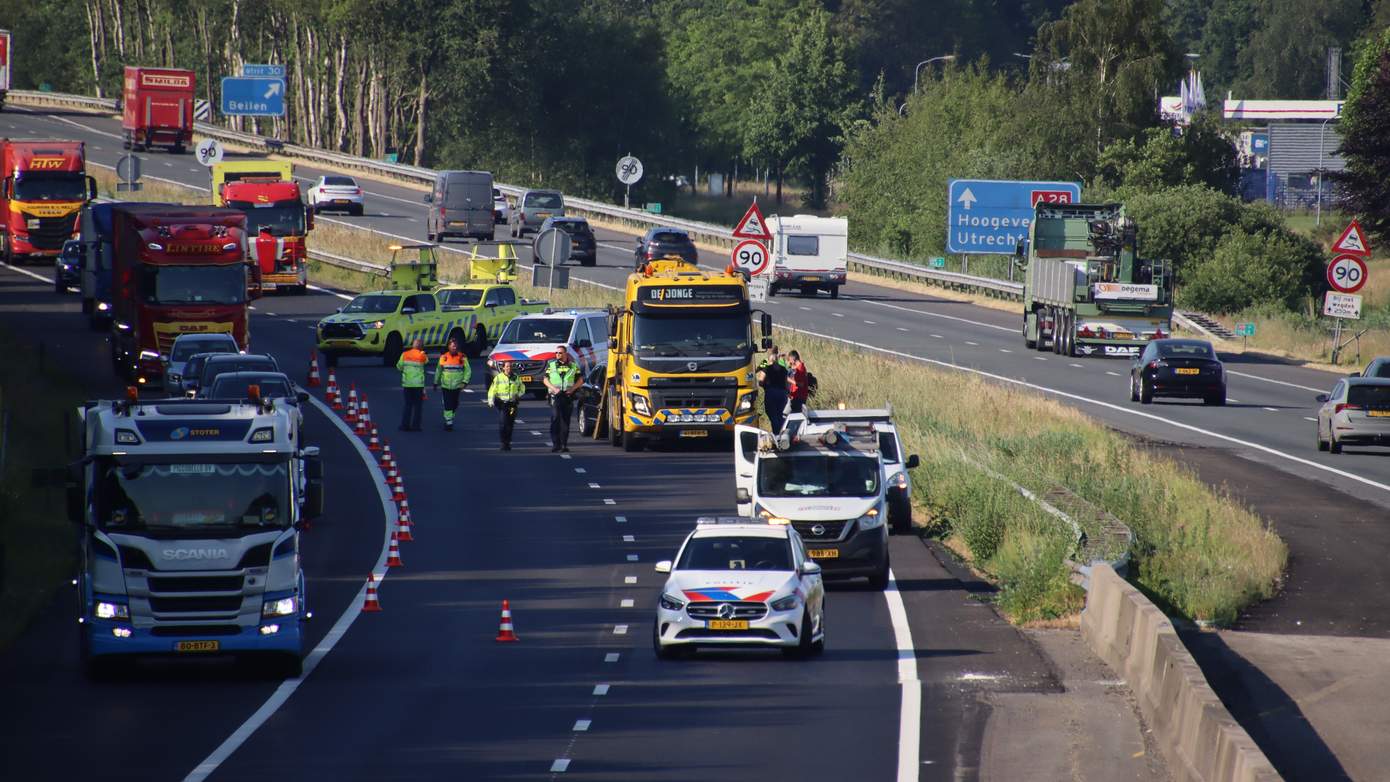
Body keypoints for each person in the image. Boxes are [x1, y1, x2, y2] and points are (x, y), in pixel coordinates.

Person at [543, 344, 582, 452]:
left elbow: (580, 380)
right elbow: (545, 380)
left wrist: (573, 389)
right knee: (555, 419)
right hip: (555, 396)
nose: (557, 354)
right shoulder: (551, 365)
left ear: (565, 354)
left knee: (565, 421)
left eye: (560, 353)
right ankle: (556, 444)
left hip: (567, 396)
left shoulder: (573, 366)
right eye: (556, 353)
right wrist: (553, 389)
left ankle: (564, 445)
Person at [487, 360, 526, 450]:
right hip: (502, 404)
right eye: (507, 366)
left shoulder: (516, 377)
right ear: (503, 368)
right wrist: (491, 401)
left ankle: (508, 442)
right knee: (503, 423)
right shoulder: (498, 378)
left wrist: (518, 394)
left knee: (510, 424)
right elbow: (492, 390)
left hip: (512, 404)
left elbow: (522, 387)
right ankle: (503, 442)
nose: (509, 368)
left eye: (510, 366)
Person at [434, 338, 472, 430]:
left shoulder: (462, 357)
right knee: (448, 404)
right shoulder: (443, 357)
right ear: (449, 347)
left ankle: (450, 417)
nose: (454, 347)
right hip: (445, 386)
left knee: (454, 404)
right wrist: (435, 382)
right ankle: (449, 422)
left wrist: (465, 382)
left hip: (457, 386)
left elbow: (468, 370)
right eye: (452, 346)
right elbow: (438, 370)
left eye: (455, 346)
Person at [397, 338, 428, 431]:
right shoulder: (422, 355)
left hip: (407, 383)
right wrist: (422, 353)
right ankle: (416, 426)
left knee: (408, 405)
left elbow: (399, 366)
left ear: (412, 345)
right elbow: (426, 362)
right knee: (418, 406)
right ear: (421, 347)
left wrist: (405, 371)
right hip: (418, 384)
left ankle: (405, 425)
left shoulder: (405, 354)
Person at [757, 344, 789, 433]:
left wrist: (764, 386)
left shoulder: (765, 362)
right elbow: (786, 379)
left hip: (771, 392)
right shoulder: (781, 362)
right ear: (777, 351)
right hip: (782, 393)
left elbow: (758, 373)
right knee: (780, 414)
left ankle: (777, 433)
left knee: (772, 414)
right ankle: (782, 432)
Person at [787, 350, 809, 415]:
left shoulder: (800, 369)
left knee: (795, 415)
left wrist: (789, 380)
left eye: (790, 360)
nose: (790, 362)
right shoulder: (798, 368)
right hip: (796, 396)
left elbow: (801, 384)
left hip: (799, 397)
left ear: (793, 358)